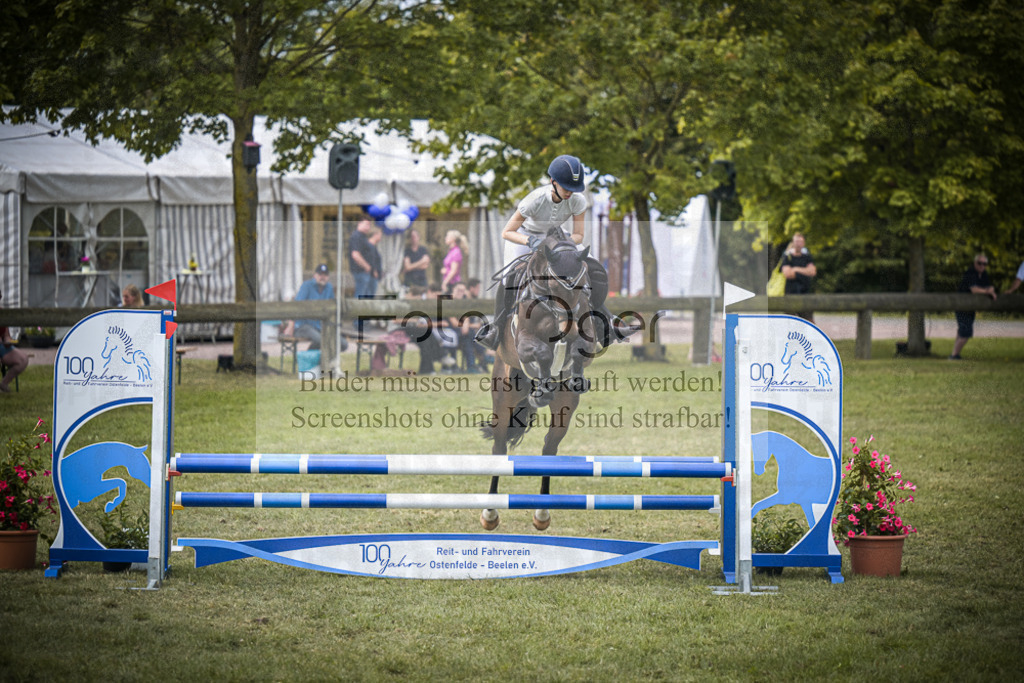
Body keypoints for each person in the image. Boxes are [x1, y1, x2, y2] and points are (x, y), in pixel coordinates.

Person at [474, 153, 638, 350]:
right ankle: (496, 329)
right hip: (524, 236)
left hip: (558, 238)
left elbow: (579, 235)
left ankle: (608, 322)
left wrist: (561, 245)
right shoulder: (534, 200)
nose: (570, 192)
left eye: (573, 188)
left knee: (591, 266)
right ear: (553, 182)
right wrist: (531, 241)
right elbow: (507, 232)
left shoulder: (578, 201)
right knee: (509, 277)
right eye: (566, 187)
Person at [951, 253, 997, 359]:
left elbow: (989, 287)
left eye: (985, 264)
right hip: (962, 306)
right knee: (966, 332)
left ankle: (955, 354)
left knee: (962, 331)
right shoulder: (970, 273)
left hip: (971, 308)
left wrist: (991, 290)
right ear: (975, 263)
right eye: (980, 263)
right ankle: (954, 355)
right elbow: (974, 289)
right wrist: (988, 292)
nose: (982, 266)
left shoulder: (984, 274)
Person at [283, 264, 335, 351]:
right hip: (303, 326)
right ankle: (308, 356)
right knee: (321, 340)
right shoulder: (306, 285)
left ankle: (313, 356)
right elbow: (296, 306)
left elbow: (332, 308)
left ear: (328, 277)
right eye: (320, 274)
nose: (322, 277)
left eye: (325, 275)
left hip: (321, 327)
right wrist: (290, 326)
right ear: (315, 275)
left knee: (342, 343)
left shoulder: (329, 287)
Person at [780, 232, 817, 322]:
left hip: (805, 294)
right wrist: (805, 272)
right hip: (790, 294)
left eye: (800, 242)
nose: (798, 244)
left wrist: (795, 269)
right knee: (788, 321)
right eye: (796, 242)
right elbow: (788, 274)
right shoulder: (787, 257)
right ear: (793, 243)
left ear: (803, 243)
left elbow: (812, 272)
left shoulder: (807, 257)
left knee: (809, 321)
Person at [0, 290, 29, 394]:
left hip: (2, 347)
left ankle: (4, 384)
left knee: (23, 359)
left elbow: (6, 335)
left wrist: (8, 341)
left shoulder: (2, 313)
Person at [349, 218, 379, 299]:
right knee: (360, 296)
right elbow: (355, 255)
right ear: (359, 223)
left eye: (369, 225)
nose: (368, 227)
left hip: (366, 273)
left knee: (367, 297)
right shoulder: (356, 236)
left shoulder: (363, 237)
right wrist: (367, 267)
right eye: (366, 224)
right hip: (360, 272)